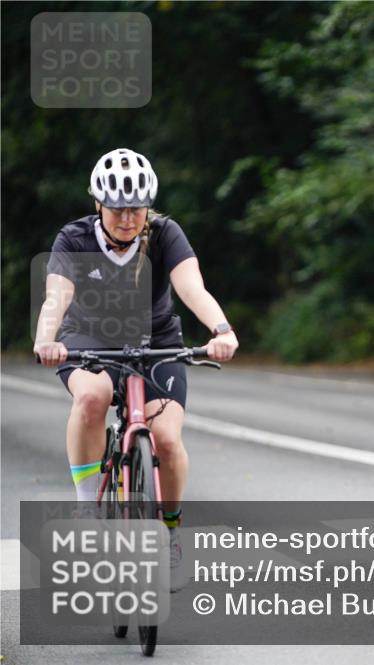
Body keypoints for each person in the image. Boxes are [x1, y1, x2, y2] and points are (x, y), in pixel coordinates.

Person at [33, 148, 239, 590]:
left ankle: (170, 531)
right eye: (118, 208)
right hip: (89, 336)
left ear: (149, 205)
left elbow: (192, 287)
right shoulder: (74, 239)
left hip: (157, 339)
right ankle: (88, 509)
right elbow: (57, 297)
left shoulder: (166, 235)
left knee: (165, 438)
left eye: (136, 208)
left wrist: (221, 330)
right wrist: (46, 339)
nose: (128, 218)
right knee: (91, 398)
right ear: (98, 205)